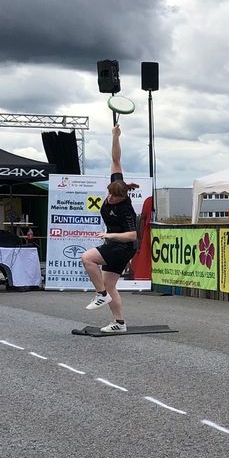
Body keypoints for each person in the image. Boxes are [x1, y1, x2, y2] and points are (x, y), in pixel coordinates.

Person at [79, 125, 140, 333]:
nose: (112, 198)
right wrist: (115, 136)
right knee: (110, 284)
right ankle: (119, 323)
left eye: (116, 197)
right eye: (110, 194)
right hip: (115, 245)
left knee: (87, 258)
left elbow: (132, 235)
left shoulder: (126, 209)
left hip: (123, 246)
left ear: (123, 197)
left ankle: (100, 294)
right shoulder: (117, 184)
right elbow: (116, 160)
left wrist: (110, 234)